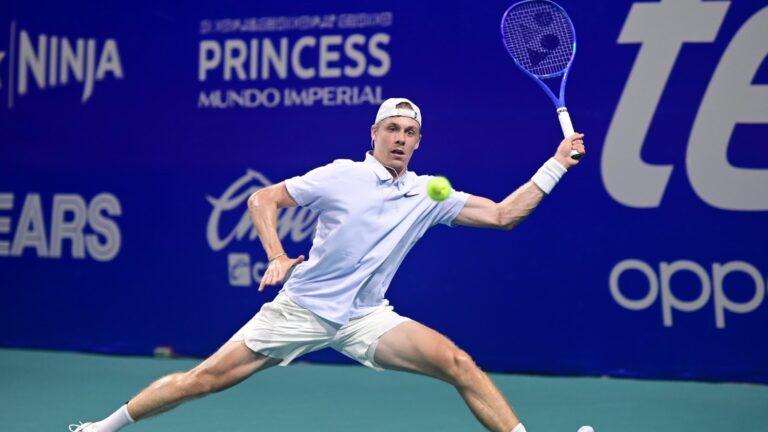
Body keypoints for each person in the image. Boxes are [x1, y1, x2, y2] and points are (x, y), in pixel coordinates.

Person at [70, 98, 586, 432]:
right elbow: (262, 199)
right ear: (375, 133)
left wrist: (558, 163)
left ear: (419, 141)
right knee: (202, 381)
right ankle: (103, 427)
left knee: (458, 363)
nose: (401, 138)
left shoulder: (429, 194)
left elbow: (502, 216)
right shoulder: (340, 176)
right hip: (303, 308)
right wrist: (276, 256)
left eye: (410, 131)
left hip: (366, 317)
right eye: (393, 129)